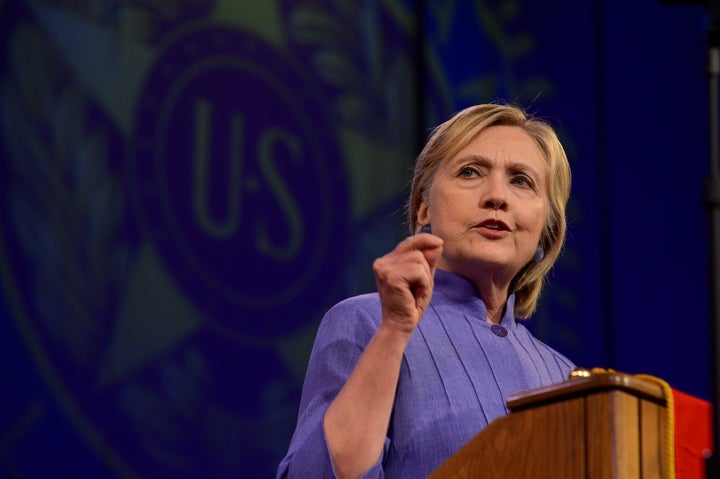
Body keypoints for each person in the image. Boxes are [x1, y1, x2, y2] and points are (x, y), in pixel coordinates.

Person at [276, 103, 575, 479]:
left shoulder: (568, 378)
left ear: (545, 230)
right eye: (470, 172)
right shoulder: (367, 323)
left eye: (521, 181)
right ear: (423, 209)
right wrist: (394, 331)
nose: (497, 196)